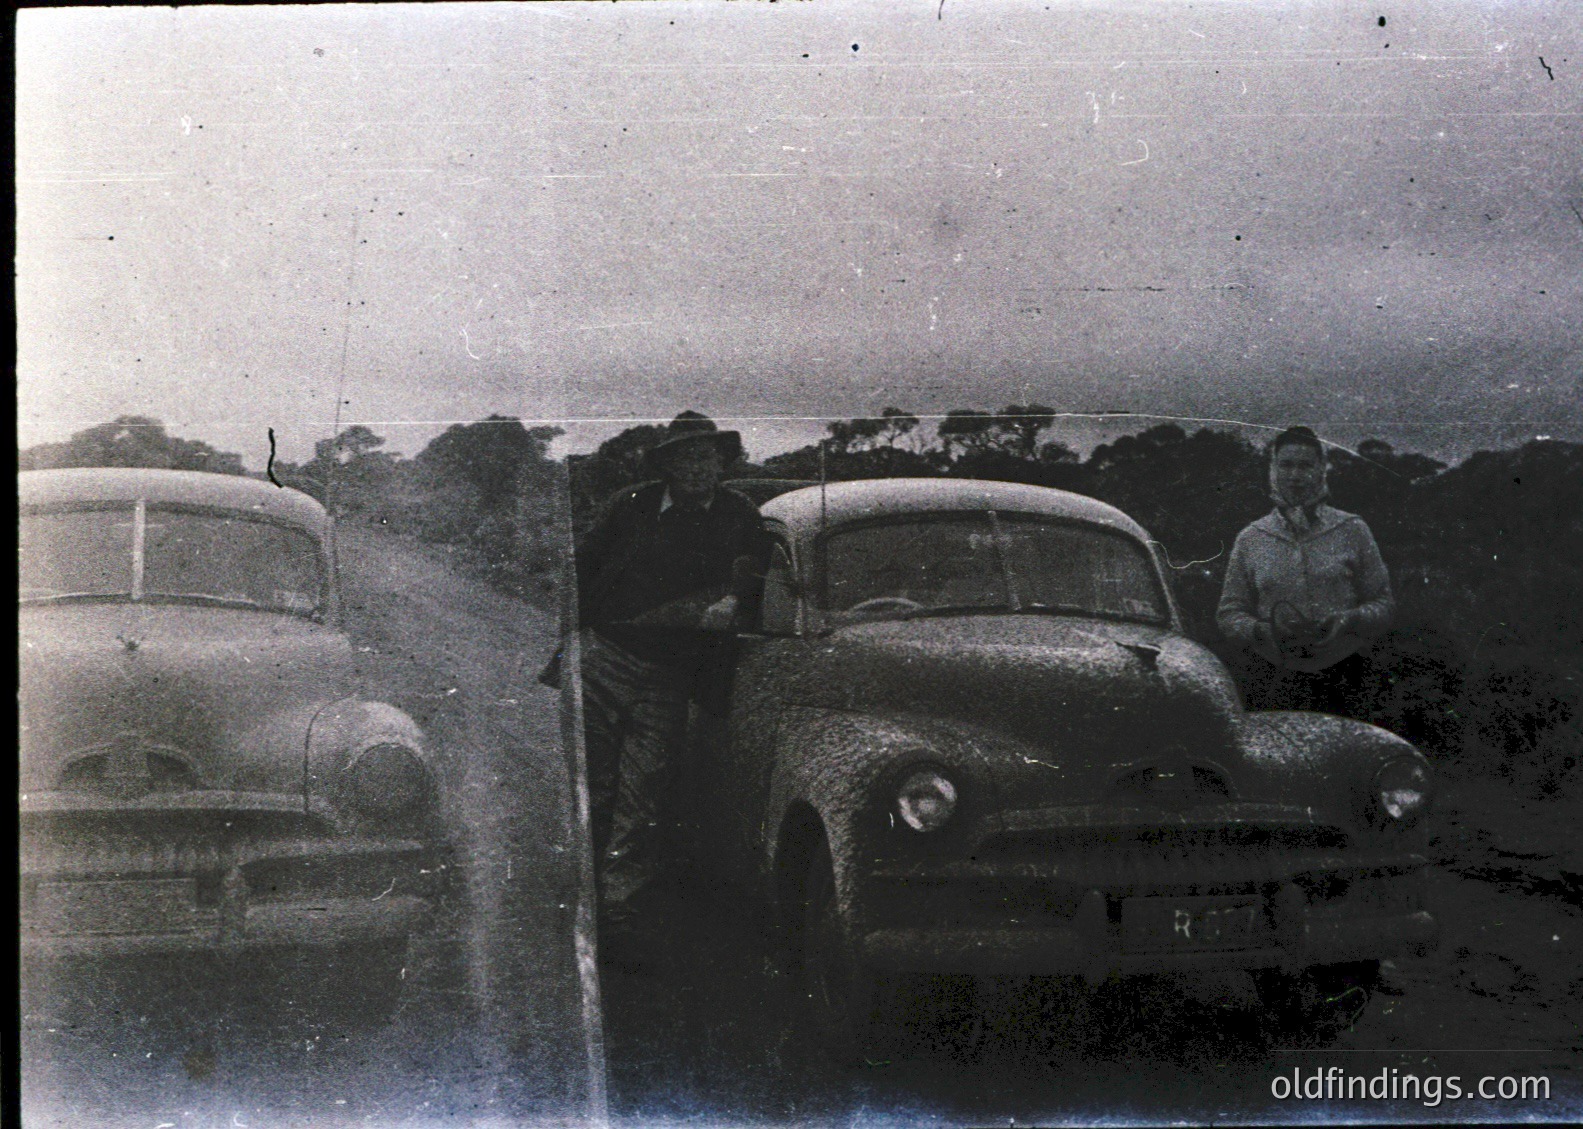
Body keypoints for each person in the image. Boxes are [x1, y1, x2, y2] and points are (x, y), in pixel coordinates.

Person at [573, 411, 767, 967]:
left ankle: (618, 912)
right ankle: (584, 898)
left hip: (669, 673)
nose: (698, 467)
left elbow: (757, 575)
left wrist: (736, 601)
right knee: (598, 786)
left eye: (707, 456)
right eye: (685, 456)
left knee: (645, 792)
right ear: (667, 466)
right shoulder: (629, 507)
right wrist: (577, 640)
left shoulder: (739, 515)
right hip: (605, 657)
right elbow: (579, 568)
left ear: (721, 463)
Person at [1217, 425, 1395, 717]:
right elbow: (1228, 615)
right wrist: (1263, 630)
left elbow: (1384, 604)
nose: (1295, 476)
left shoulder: (1353, 529)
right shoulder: (1251, 537)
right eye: (1286, 465)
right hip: (1273, 680)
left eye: (1305, 466)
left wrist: (1348, 620)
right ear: (1273, 470)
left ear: (1321, 470)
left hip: (1346, 678)